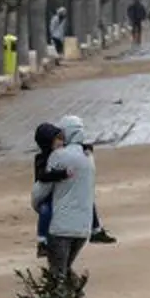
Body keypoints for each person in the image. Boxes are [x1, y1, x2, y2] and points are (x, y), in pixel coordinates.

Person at [32, 123, 116, 258]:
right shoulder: (41, 159)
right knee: (45, 210)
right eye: (57, 140)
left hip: (65, 191)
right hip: (48, 194)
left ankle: (96, 230)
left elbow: (80, 147)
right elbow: (42, 177)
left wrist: (86, 149)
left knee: (88, 201)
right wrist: (62, 174)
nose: (61, 142)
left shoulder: (62, 152)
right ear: (47, 143)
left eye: (61, 138)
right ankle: (42, 242)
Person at [32, 116, 97, 279]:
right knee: (64, 267)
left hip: (60, 227)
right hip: (83, 228)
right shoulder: (88, 156)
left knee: (57, 272)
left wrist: (38, 206)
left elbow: (40, 191)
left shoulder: (57, 157)